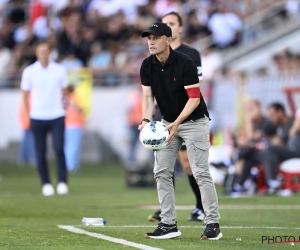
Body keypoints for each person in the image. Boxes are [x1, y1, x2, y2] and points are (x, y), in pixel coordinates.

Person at [139, 21, 222, 240]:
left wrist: (177, 122)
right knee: (161, 171)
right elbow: (148, 97)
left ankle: (212, 223)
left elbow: (194, 99)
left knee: (200, 171)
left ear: (168, 40)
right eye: (149, 39)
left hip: (194, 121)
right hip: (167, 122)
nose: (151, 42)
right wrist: (146, 120)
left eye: (156, 38)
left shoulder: (185, 62)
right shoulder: (146, 65)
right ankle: (168, 224)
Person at [148, 12, 205, 224]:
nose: (168, 27)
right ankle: (166, 210)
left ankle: (200, 206)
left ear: (180, 29)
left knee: (189, 164)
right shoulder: (155, 56)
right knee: (164, 164)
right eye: (165, 24)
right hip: (164, 114)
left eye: (172, 23)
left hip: (186, 114)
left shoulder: (190, 54)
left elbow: (195, 88)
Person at [21, 41, 69, 196]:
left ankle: (62, 182)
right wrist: (29, 113)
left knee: (59, 148)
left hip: (56, 115)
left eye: (46, 51)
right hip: (38, 116)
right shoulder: (29, 71)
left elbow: (64, 90)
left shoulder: (60, 70)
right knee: (40, 152)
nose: (43, 54)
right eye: (40, 51)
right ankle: (46, 183)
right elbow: (24, 94)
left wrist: (63, 106)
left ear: (50, 52)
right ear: (36, 53)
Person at [64, 84, 85, 172]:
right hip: (74, 124)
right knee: (73, 146)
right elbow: (80, 109)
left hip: (68, 124)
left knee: (69, 145)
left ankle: (71, 164)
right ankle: (71, 165)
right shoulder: (72, 99)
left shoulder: (65, 99)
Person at [18, 93, 36, 167]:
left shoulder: (25, 96)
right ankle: (31, 158)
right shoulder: (30, 96)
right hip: (29, 121)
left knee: (26, 140)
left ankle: (23, 158)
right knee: (31, 140)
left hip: (25, 121)